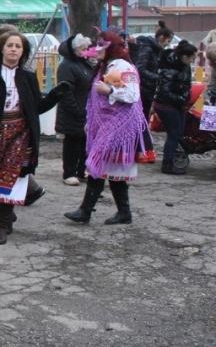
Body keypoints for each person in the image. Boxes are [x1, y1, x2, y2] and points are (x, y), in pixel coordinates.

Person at [0, 33, 70, 245]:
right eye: (10, 45)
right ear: (1, 49)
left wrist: (54, 96)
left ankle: (1, 224)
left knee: (11, 177)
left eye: (18, 46)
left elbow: (35, 107)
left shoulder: (28, 76)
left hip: (21, 132)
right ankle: (8, 214)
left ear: (23, 51)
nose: (14, 49)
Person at [64, 30, 148, 226]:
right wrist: (91, 122)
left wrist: (109, 89)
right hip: (106, 126)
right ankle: (122, 213)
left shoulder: (122, 66)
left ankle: (86, 211)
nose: (97, 49)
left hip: (120, 127)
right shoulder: (107, 66)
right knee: (109, 169)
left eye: (102, 45)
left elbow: (132, 95)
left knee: (99, 165)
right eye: (97, 45)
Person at [152, 40, 199, 175]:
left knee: (177, 132)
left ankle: (171, 158)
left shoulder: (182, 66)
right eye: (193, 58)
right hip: (166, 105)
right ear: (185, 57)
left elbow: (186, 85)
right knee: (174, 134)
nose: (193, 61)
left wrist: (184, 97)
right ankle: (167, 163)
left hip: (175, 103)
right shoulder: (169, 69)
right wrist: (181, 99)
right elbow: (164, 91)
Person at [55, 35, 95, 186]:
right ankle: (69, 172)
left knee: (84, 142)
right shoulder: (67, 66)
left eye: (87, 49)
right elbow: (66, 91)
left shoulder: (84, 64)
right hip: (72, 112)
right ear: (74, 50)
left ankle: (81, 170)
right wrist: (76, 110)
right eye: (82, 49)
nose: (86, 52)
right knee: (72, 143)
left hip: (84, 110)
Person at [135, 21, 174, 119]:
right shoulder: (148, 48)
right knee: (142, 116)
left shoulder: (155, 50)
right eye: (168, 41)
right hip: (143, 88)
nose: (167, 44)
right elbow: (141, 68)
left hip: (148, 88)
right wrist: (158, 78)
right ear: (162, 38)